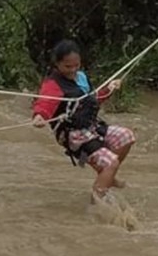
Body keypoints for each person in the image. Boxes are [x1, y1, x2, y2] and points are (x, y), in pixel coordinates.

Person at [32, 40, 135, 200]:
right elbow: (44, 104)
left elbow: (92, 99)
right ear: (57, 64)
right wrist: (40, 117)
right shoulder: (52, 84)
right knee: (111, 163)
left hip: (92, 127)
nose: (73, 70)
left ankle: (107, 176)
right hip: (74, 136)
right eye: (68, 67)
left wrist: (109, 88)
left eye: (76, 65)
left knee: (126, 136)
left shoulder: (81, 77)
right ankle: (97, 205)